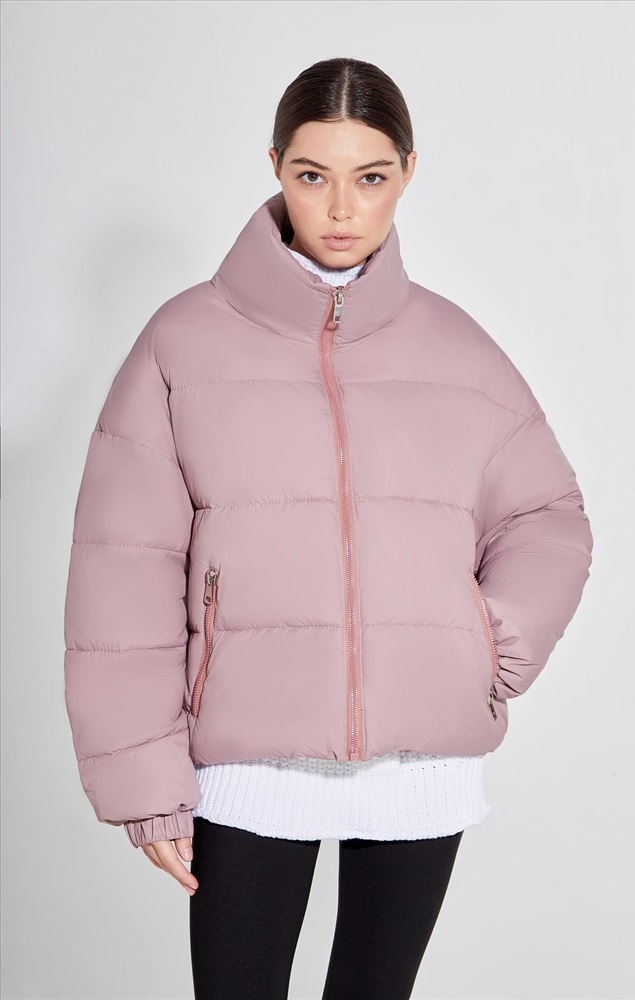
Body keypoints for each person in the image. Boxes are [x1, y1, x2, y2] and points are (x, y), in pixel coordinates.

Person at [63, 57, 594, 1000]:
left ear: (408, 173)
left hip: (420, 765)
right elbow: (123, 574)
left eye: (371, 177)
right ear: (275, 165)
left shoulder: (458, 350)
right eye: (313, 175)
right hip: (247, 762)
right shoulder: (183, 342)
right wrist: (145, 781)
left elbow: (546, 517)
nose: (342, 208)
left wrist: (486, 650)